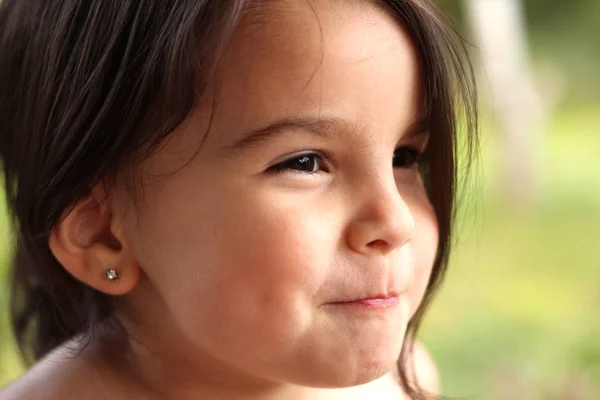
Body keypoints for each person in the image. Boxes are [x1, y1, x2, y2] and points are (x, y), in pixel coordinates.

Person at [0, 0, 477, 399]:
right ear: (104, 235)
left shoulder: (399, 382)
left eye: (405, 156)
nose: (395, 223)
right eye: (304, 162)